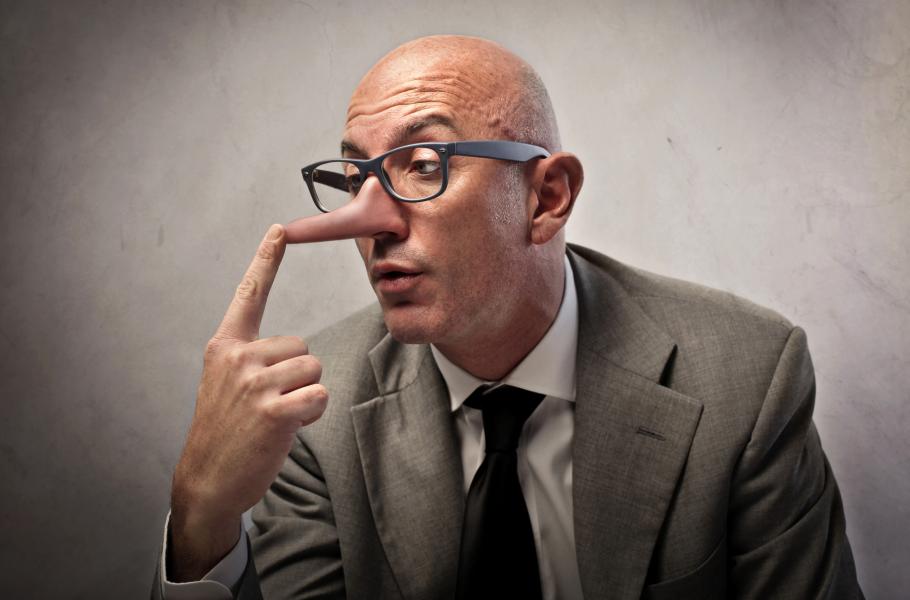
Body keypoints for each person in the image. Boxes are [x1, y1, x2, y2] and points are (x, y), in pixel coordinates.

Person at [152, 35, 863, 599]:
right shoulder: (313, 410)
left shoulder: (746, 378)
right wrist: (202, 522)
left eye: (422, 164)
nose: (369, 222)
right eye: (354, 177)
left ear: (547, 197)